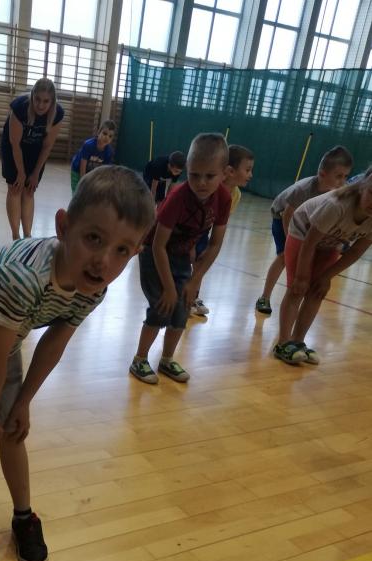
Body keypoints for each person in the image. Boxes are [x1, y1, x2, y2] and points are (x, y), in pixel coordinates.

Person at [0, 166, 155, 561]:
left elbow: (54, 341)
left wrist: (23, 402)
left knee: (13, 427)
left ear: (136, 251)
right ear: (63, 227)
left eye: (122, 250)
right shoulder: (24, 277)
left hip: (5, 332)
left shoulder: (94, 285)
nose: (103, 261)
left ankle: (23, 516)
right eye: (94, 238)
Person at [129, 133, 230, 385]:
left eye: (210, 176)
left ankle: (167, 359)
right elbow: (158, 245)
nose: (201, 182)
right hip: (154, 254)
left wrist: (195, 280)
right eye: (194, 175)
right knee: (162, 306)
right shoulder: (177, 197)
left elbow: (215, 243)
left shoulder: (224, 199)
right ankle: (140, 359)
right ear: (187, 171)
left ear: (224, 173)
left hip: (182, 255)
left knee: (182, 308)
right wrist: (169, 288)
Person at [273, 172, 372, 366]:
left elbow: (356, 250)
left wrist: (327, 277)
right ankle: (282, 343)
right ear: (362, 187)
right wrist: (302, 276)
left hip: (331, 241)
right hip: (303, 233)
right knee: (297, 288)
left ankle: (298, 341)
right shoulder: (337, 205)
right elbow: (310, 242)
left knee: (317, 291)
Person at [255, 145, 352, 316]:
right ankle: (264, 297)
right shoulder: (304, 189)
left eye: (345, 176)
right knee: (284, 257)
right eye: (338, 176)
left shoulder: (338, 193)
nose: (342, 181)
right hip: (282, 216)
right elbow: (287, 214)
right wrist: (289, 243)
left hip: (305, 222)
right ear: (322, 174)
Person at [191, 143, 254, 317]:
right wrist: (191, 244)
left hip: (204, 231)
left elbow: (220, 223)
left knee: (200, 263)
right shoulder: (209, 188)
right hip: (187, 229)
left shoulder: (236, 195)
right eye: (247, 170)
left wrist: (209, 246)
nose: (250, 175)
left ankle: (192, 298)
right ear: (230, 171)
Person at [0, 78, 64, 240]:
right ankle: (16, 236)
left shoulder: (57, 114)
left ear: (52, 101)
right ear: (32, 96)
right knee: (15, 188)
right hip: (13, 147)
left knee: (29, 190)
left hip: (36, 149)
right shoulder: (20, 107)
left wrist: (35, 173)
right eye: (37, 99)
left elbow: (47, 146)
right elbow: (15, 144)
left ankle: (28, 236)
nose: (41, 105)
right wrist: (21, 172)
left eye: (46, 101)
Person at [70, 120, 116, 193]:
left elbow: (104, 170)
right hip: (77, 171)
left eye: (110, 136)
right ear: (98, 133)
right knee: (78, 192)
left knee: (89, 193)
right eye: (104, 133)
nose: (107, 137)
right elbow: (83, 165)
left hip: (91, 172)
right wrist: (83, 181)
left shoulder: (109, 152)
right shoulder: (88, 145)